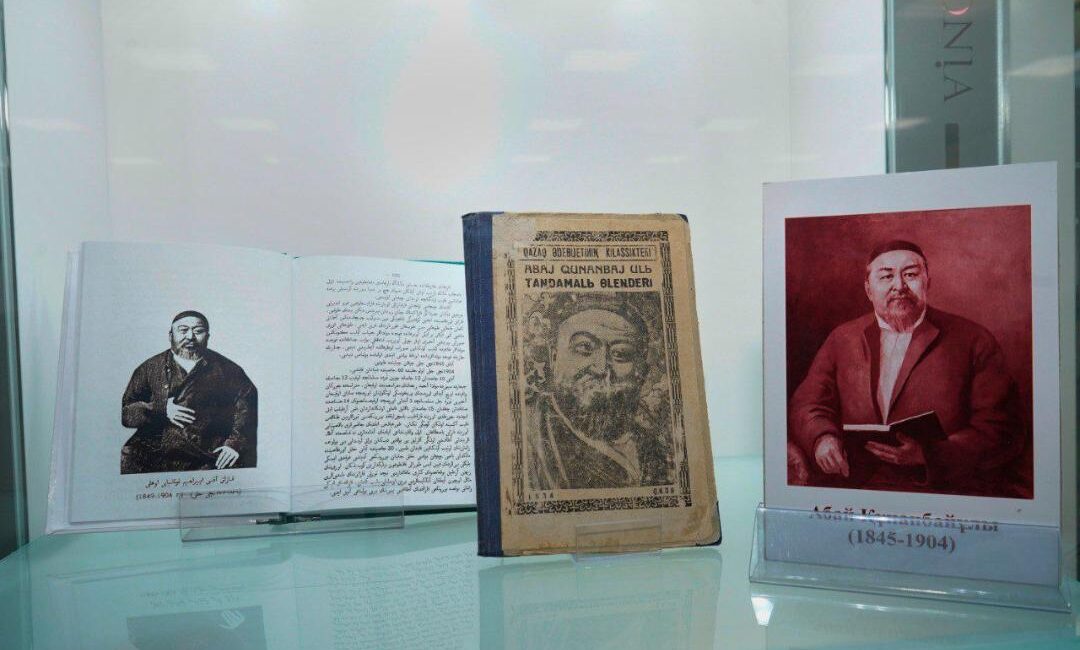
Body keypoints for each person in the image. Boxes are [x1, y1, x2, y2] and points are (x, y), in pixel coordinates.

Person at [788, 240, 1026, 495]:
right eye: (886, 276)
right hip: (855, 486)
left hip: (942, 490)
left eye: (910, 275)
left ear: (927, 282)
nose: (899, 286)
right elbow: (807, 403)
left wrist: (930, 455)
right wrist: (821, 437)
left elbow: (1000, 428)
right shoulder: (842, 338)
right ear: (868, 289)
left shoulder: (973, 339)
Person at [527, 296, 673, 490]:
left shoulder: (656, 450)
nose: (602, 367)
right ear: (554, 358)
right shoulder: (528, 430)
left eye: (620, 354)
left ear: (641, 373)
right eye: (584, 347)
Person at [121, 310, 257, 473]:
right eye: (183, 330)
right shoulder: (150, 368)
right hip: (156, 453)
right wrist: (161, 408)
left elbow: (247, 409)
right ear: (170, 336)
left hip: (207, 453)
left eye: (198, 331)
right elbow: (126, 414)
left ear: (207, 336)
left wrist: (234, 444)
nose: (190, 337)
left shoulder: (229, 370)